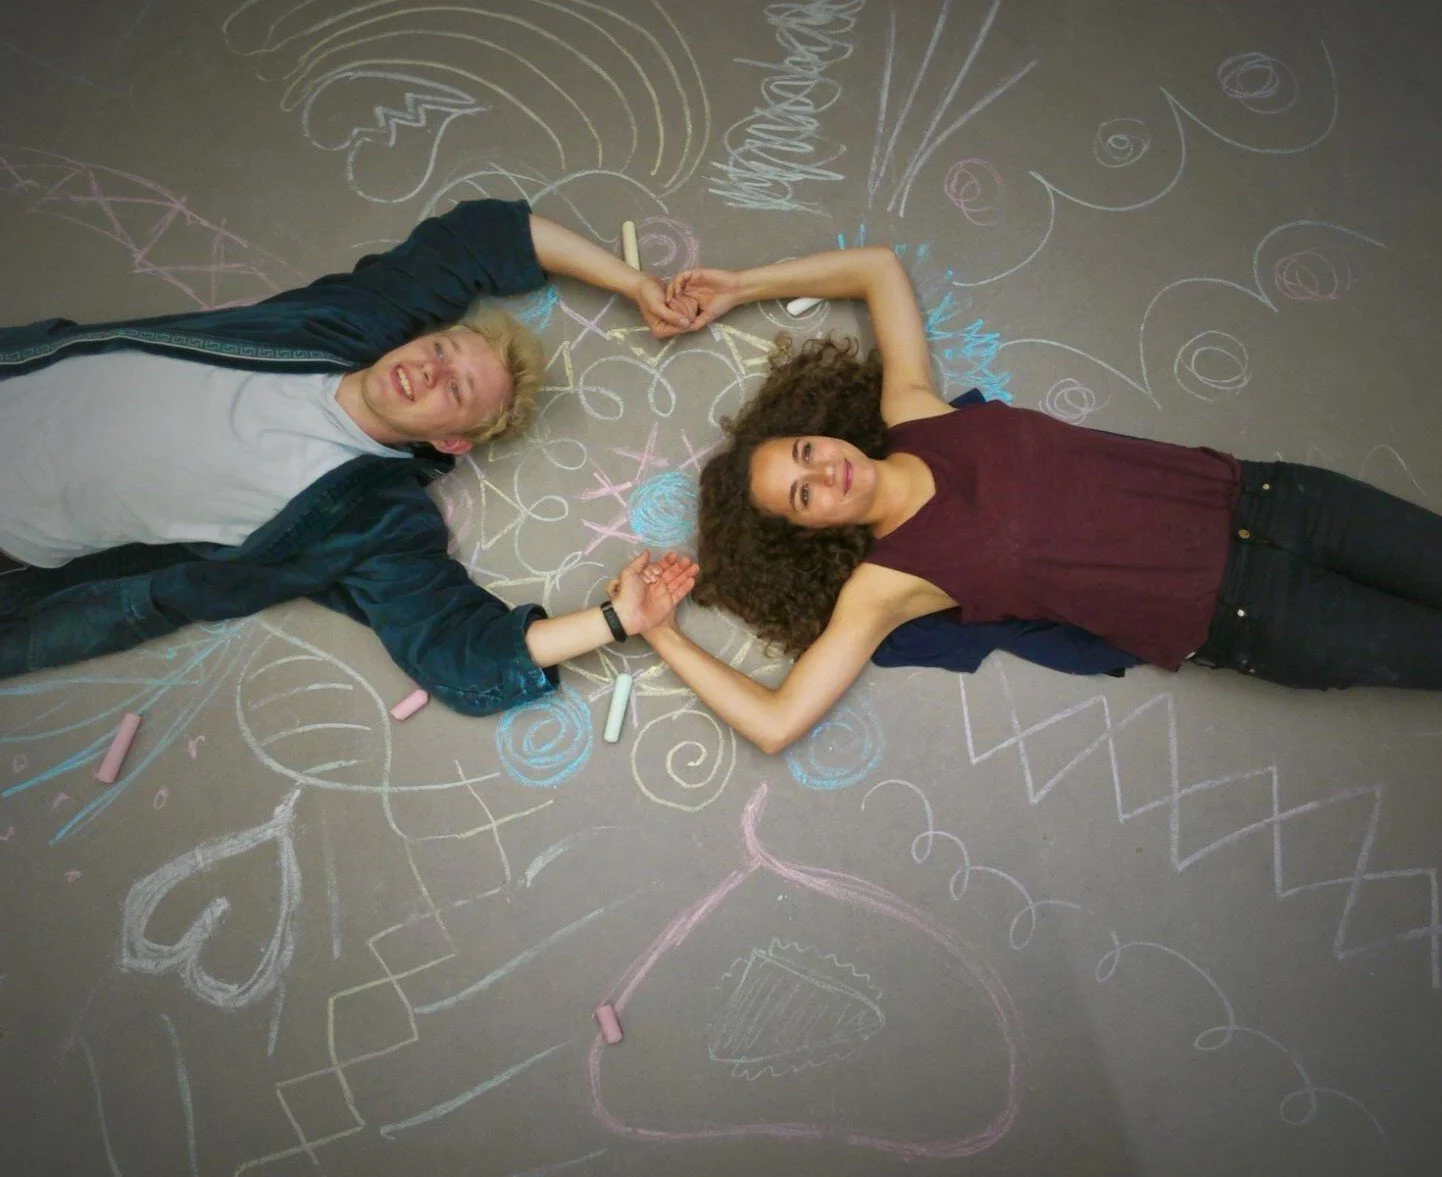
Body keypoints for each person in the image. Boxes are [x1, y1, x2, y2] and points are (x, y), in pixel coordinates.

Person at [631, 248, 1442, 754]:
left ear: (820, 433)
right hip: (1251, 613)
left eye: (806, 452)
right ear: (807, 531)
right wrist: (661, 634)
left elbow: (876, 267)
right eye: (802, 496)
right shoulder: (884, 584)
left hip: (1272, 495)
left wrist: (742, 285)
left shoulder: (915, 413)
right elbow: (776, 725)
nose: (825, 472)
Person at [0, 198, 697, 712]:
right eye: (441, 350)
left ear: (450, 441)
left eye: (455, 390)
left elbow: (461, 652)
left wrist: (616, 620)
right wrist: (634, 284)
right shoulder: (346, 320)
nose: (430, 371)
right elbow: (482, 237)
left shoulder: (375, 520)